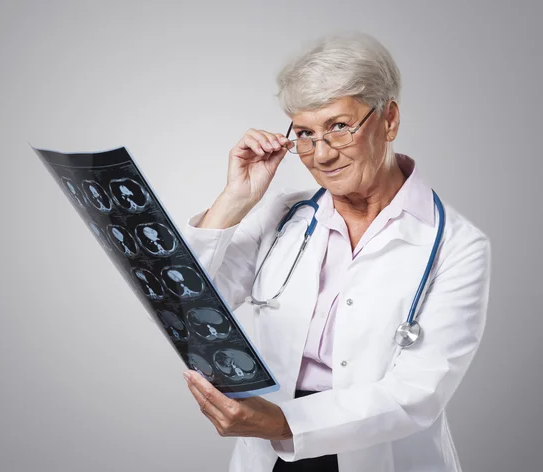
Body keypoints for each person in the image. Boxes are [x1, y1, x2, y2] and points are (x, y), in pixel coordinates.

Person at [181, 31, 491, 472]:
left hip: (377, 448)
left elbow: (419, 391)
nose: (321, 154)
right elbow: (185, 305)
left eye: (339, 127)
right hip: (269, 449)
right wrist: (235, 200)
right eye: (305, 133)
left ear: (389, 120)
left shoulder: (457, 246)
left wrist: (286, 422)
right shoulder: (283, 214)